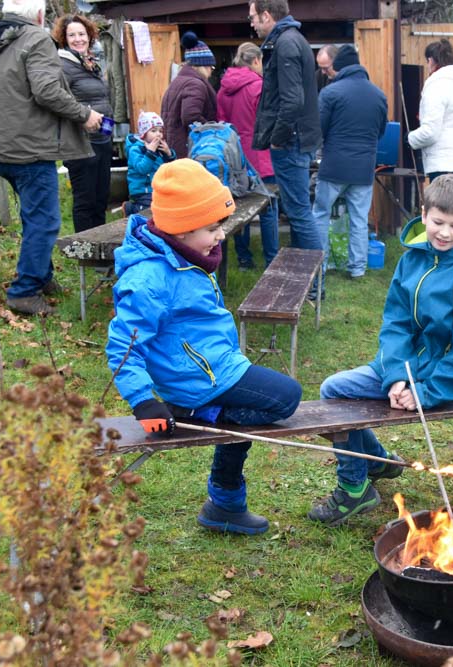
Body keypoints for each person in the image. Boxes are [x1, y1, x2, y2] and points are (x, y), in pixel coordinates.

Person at [106, 159, 302, 536]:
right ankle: (205, 413)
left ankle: (226, 503)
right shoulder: (149, 278)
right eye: (212, 228)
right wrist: (143, 401)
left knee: (242, 417)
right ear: (180, 229)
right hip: (197, 381)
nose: (221, 236)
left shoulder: (185, 256)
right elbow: (123, 348)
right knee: (285, 399)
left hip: (215, 367)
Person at [309, 175, 453, 526]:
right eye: (438, 222)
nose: (444, 232)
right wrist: (395, 376)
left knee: (336, 393)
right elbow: (396, 322)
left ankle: (353, 487)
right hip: (402, 368)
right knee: (334, 390)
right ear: (424, 214)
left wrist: (424, 392)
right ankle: (376, 463)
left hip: (435, 380)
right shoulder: (411, 260)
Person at [0, 0, 103, 315]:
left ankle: (42, 276)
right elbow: (47, 91)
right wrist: (84, 114)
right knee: (45, 220)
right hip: (28, 148)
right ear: (37, 14)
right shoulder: (35, 38)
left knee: (34, 216)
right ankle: (24, 290)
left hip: (1, 146)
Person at [249, 0, 322, 254]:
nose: (251, 23)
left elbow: (292, 101)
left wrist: (278, 139)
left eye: (253, 17)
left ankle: (314, 283)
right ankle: (306, 277)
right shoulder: (290, 40)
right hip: (297, 139)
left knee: (299, 212)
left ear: (266, 15)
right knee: (297, 211)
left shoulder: (286, 43)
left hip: (291, 141)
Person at [312, 45, 388, 281]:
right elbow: (381, 131)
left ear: (340, 66)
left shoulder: (330, 93)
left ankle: (320, 265)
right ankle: (357, 268)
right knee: (358, 219)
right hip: (364, 168)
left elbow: (319, 130)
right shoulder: (378, 95)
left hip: (334, 166)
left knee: (321, 214)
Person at [217, 42, 279, 269]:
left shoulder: (223, 89)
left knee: (237, 211)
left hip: (234, 158)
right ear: (255, 61)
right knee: (269, 209)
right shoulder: (259, 87)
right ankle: (271, 259)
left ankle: (244, 258)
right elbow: (268, 123)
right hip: (261, 156)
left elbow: (223, 124)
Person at [53, 14, 114, 234]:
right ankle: (85, 250)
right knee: (85, 200)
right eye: (72, 35)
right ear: (64, 38)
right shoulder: (62, 65)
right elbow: (61, 101)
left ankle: (101, 247)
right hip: (80, 143)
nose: (78, 39)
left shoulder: (90, 63)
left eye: (81, 34)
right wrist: (85, 116)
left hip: (102, 138)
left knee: (101, 197)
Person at [407, 39, 453, 182]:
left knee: (443, 205)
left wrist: (409, 138)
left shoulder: (436, 88)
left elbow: (430, 133)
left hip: (446, 164)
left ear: (431, 60)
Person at [161, 31, 217, 158]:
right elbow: (190, 116)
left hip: (175, 144)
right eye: (211, 67)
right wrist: (212, 129)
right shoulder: (194, 84)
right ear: (202, 65)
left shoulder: (178, 81)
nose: (211, 72)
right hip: (189, 148)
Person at [124, 111, 175, 215]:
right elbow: (142, 169)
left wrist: (169, 154)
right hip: (142, 190)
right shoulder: (135, 149)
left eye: (160, 131)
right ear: (143, 133)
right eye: (153, 130)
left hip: (158, 187)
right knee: (148, 210)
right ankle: (131, 208)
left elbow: (171, 168)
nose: (158, 134)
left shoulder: (159, 148)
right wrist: (150, 152)